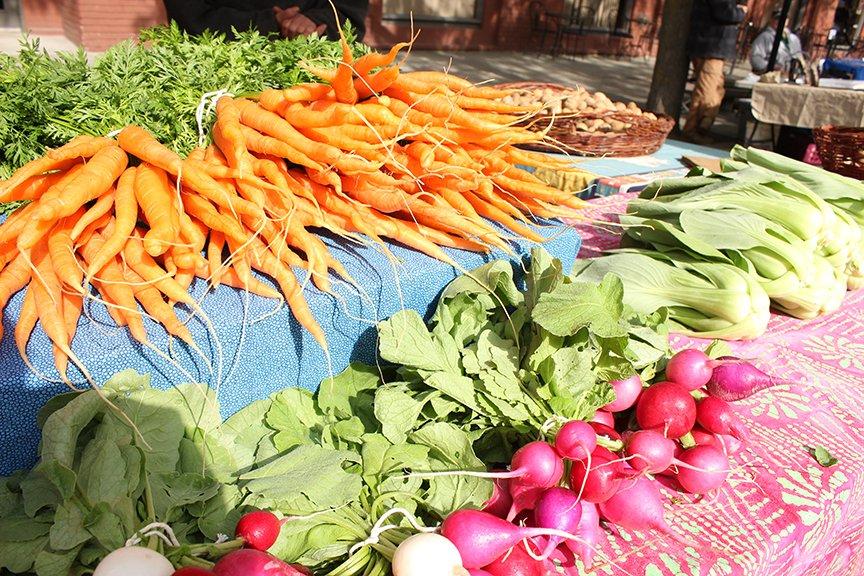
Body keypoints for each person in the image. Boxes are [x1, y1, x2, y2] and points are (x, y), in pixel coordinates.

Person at [682, 0, 748, 144]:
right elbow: (724, 12)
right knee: (705, 92)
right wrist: (741, 12)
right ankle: (692, 130)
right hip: (710, 47)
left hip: (713, 47)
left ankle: (703, 126)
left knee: (716, 90)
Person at [162, 1, 369, 42]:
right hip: (212, 72)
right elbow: (188, 16)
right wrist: (268, 24)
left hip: (315, 76)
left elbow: (350, 12)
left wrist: (313, 20)